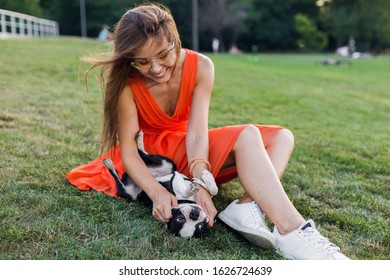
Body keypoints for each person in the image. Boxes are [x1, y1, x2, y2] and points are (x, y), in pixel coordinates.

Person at [66, 4, 349, 260]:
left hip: (190, 147)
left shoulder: (201, 66)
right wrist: (155, 193)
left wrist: (202, 179)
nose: (155, 68)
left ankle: (248, 206)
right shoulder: (128, 84)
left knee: (281, 137)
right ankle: (292, 230)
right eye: (142, 61)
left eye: (163, 55)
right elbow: (128, 150)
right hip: (157, 157)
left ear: (175, 40)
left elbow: (198, 132)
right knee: (248, 134)